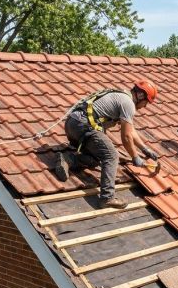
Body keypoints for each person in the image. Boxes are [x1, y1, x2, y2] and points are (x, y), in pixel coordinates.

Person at [54, 81, 159, 209]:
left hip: (72, 125)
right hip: (84, 126)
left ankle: (69, 159)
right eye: (147, 102)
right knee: (112, 156)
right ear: (141, 96)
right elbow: (126, 137)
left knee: (98, 159)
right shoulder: (128, 103)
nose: (145, 106)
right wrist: (135, 157)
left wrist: (144, 148)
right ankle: (107, 198)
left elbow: (130, 130)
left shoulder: (121, 96)